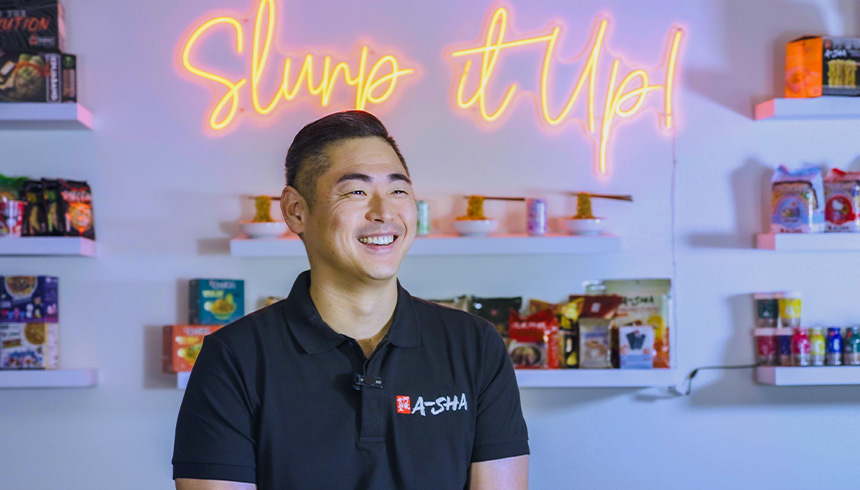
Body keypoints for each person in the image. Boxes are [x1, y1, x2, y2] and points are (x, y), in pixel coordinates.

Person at [172, 110, 529, 489]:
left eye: (398, 190)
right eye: (356, 191)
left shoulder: (474, 346)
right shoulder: (234, 359)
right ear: (296, 211)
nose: (384, 213)